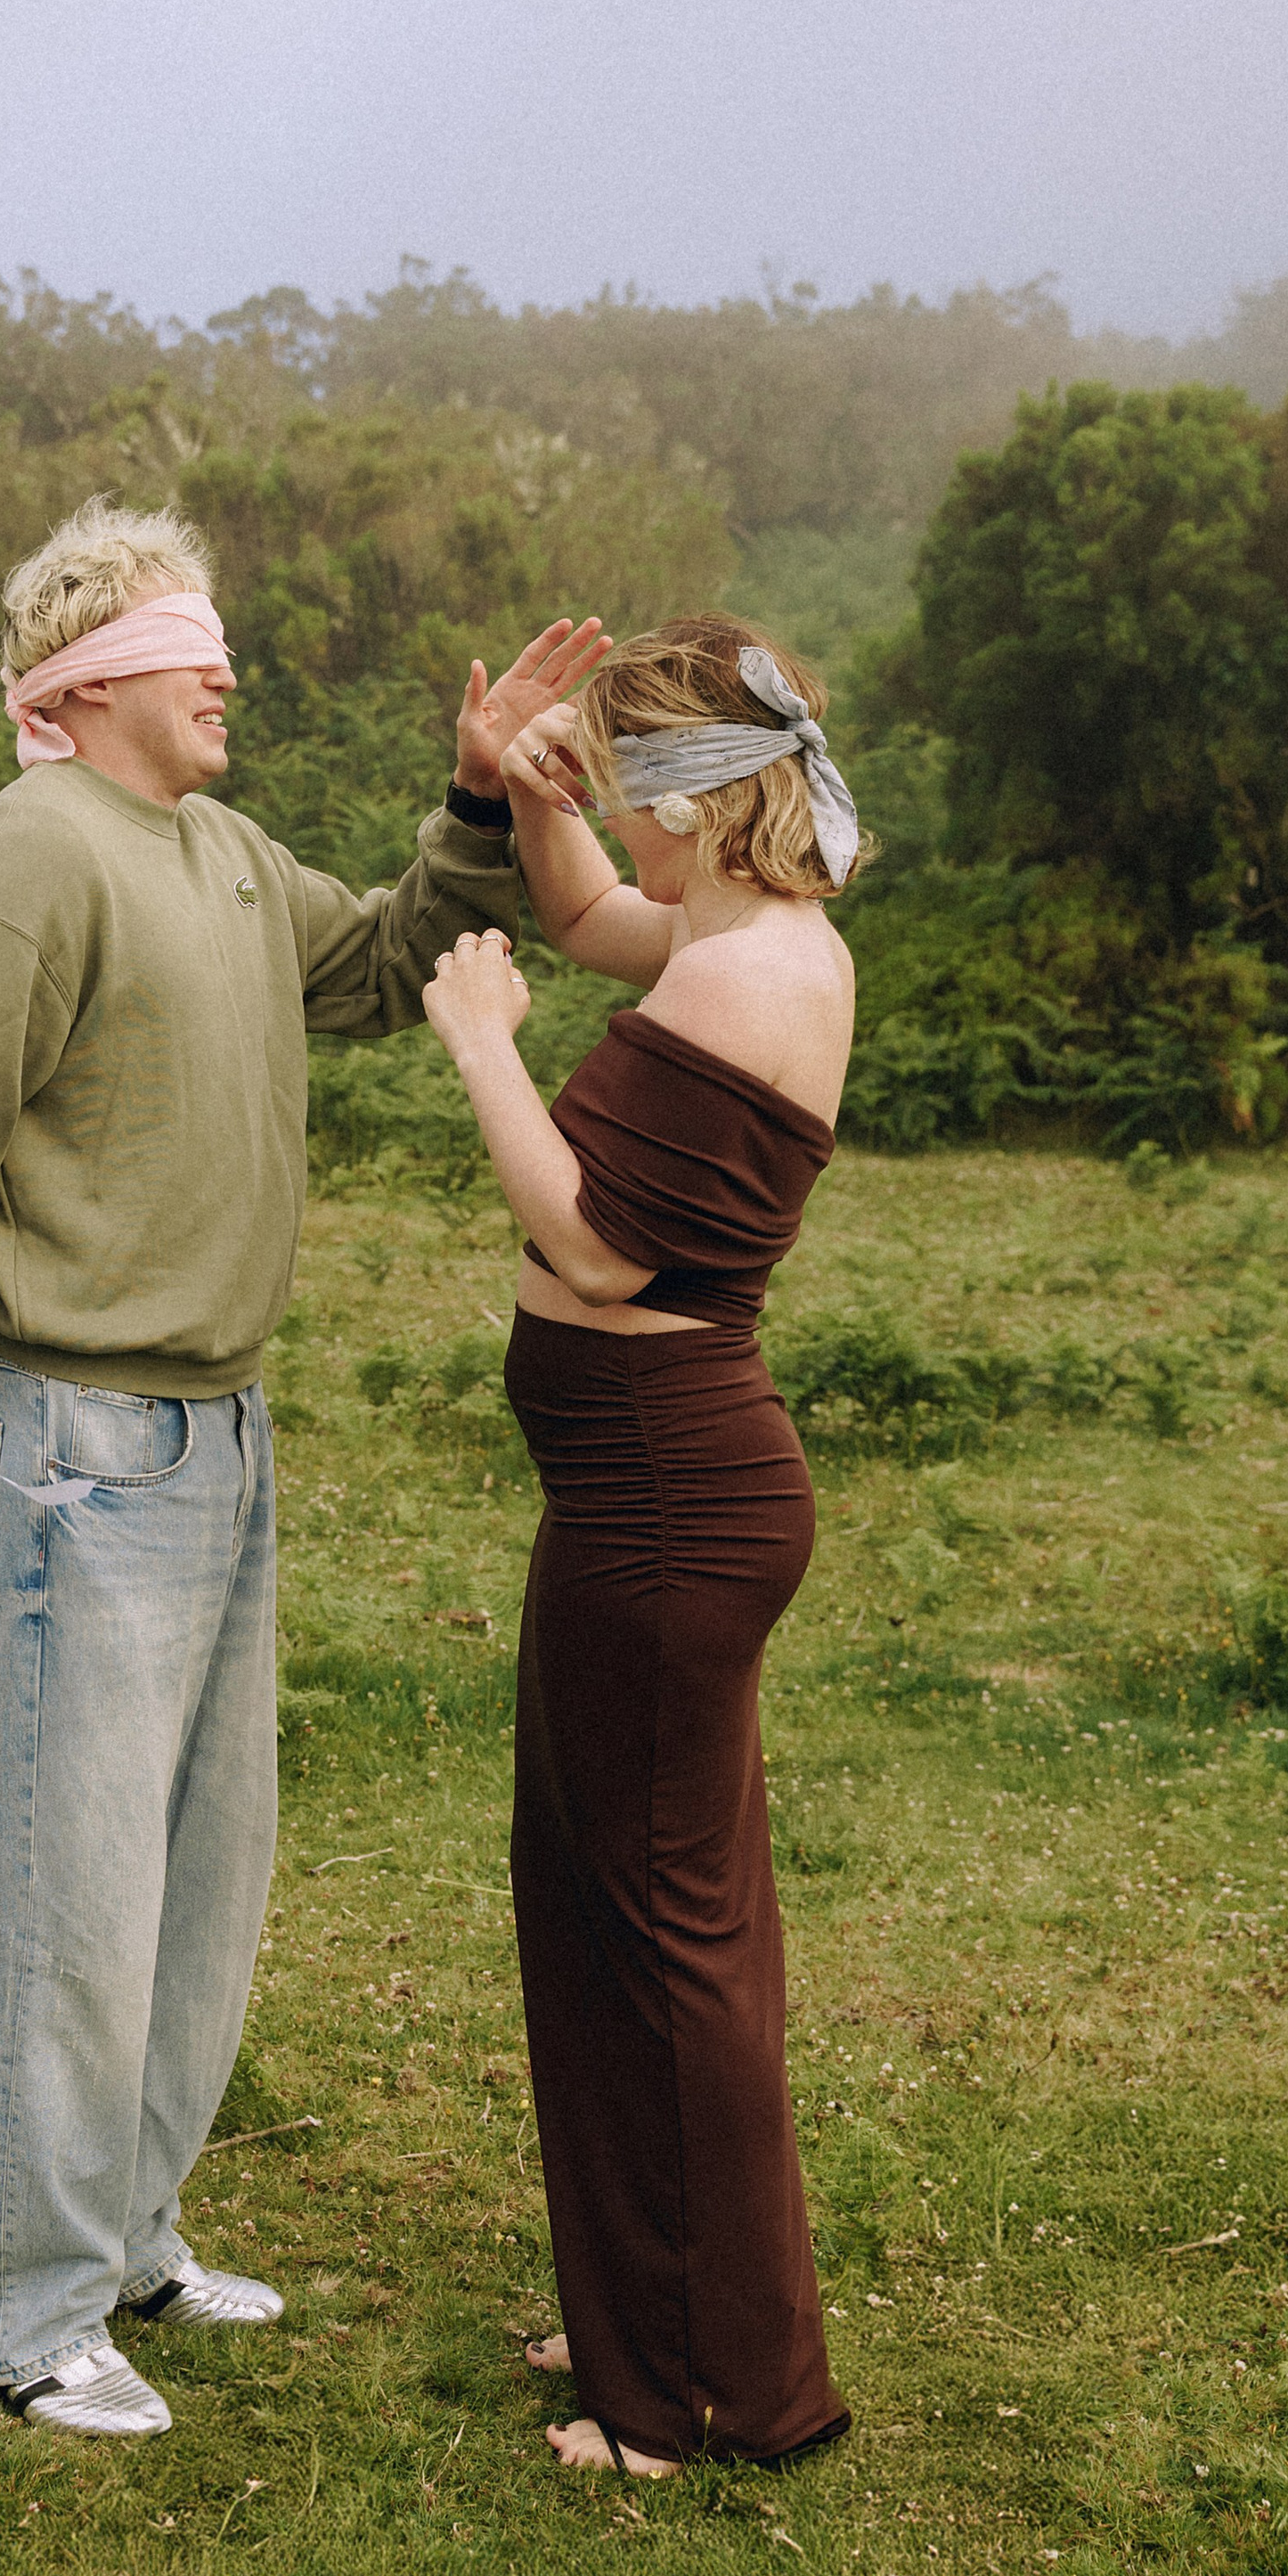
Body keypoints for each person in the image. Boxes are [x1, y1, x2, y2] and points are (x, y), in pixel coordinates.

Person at [0, 495, 605, 2438]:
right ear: (91, 681)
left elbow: (376, 970)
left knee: (192, 1871)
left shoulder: (220, 851)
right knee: (66, 1883)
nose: (226, 671)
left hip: (225, 1426)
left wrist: (470, 804)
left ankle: (126, 2235)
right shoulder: (35, 852)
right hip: (76, 1440)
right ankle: (20, 2308)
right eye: (194, 648)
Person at [420, 614, 868, 2474]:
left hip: (664, 1496)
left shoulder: (763, 975)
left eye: (618, 773)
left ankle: (696, 2395)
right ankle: (648, 2313)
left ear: (697, 794)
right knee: (607, 1916)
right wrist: (521, 801)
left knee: (665, 1940)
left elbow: (598, 1243)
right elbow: (600, 916)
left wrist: (478, 1046)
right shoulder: (733, 937)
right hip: (633, 1485)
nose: (605, 804)